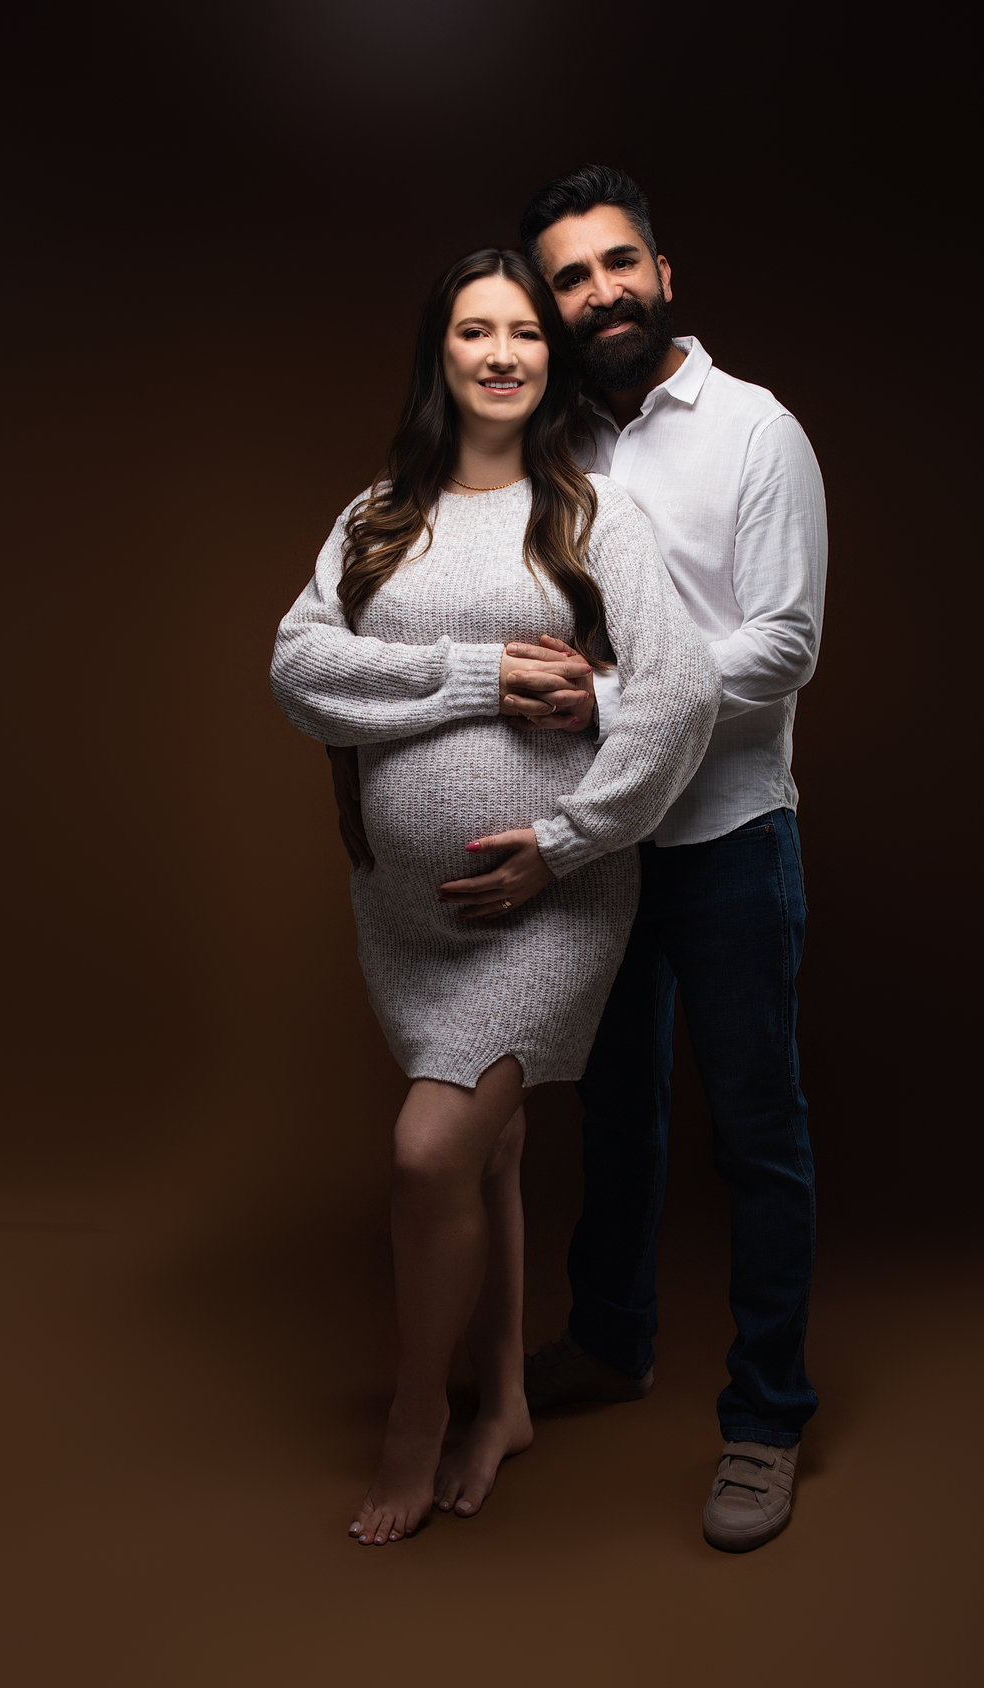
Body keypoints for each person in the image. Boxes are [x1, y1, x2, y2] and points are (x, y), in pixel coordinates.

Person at [270, 247, 718, 1548]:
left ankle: (420, 1417)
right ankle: (508, 1395)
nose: (504, 353)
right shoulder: (378, 517)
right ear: (441, 353)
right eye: (476, 331)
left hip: (547, 904)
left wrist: (566, 843)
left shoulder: (586, 514)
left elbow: (679, 691)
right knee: (491, 1149)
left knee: (430, 1151)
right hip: (405, 916)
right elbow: (300, 668)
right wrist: (475, 678)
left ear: (549, 357)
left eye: (526, 331)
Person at [505, 165, 829, 1553]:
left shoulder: (755, 430)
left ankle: (766, 1415)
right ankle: (610, 1340)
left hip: (732, 835)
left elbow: (784, 644)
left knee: (756, 1133)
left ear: (664, 272)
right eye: (571, 278)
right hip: (607, 837)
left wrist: (607, 697)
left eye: (617, 263)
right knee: (616, 1114)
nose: (600, 294)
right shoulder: (557, 442)